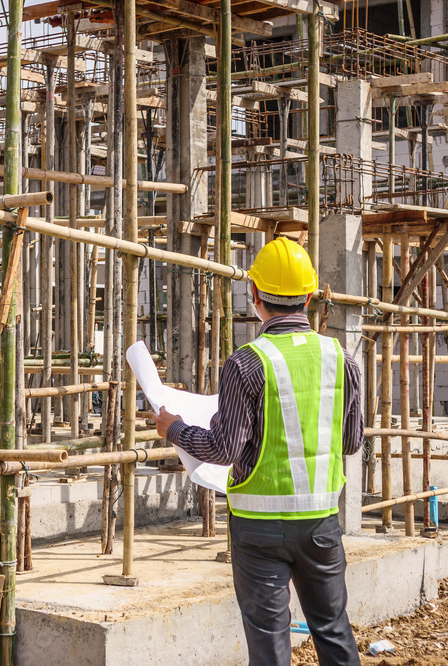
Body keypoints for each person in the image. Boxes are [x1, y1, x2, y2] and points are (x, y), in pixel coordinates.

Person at [153, 236, 363, 666]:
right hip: (321, 524)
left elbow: (223, 447)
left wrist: (174, 429)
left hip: (259, 530)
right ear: (309, 296)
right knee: (334, 630)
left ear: (254, 295)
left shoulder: (246, 363)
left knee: (269, 644)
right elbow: (351, 442)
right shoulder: (341, 359)